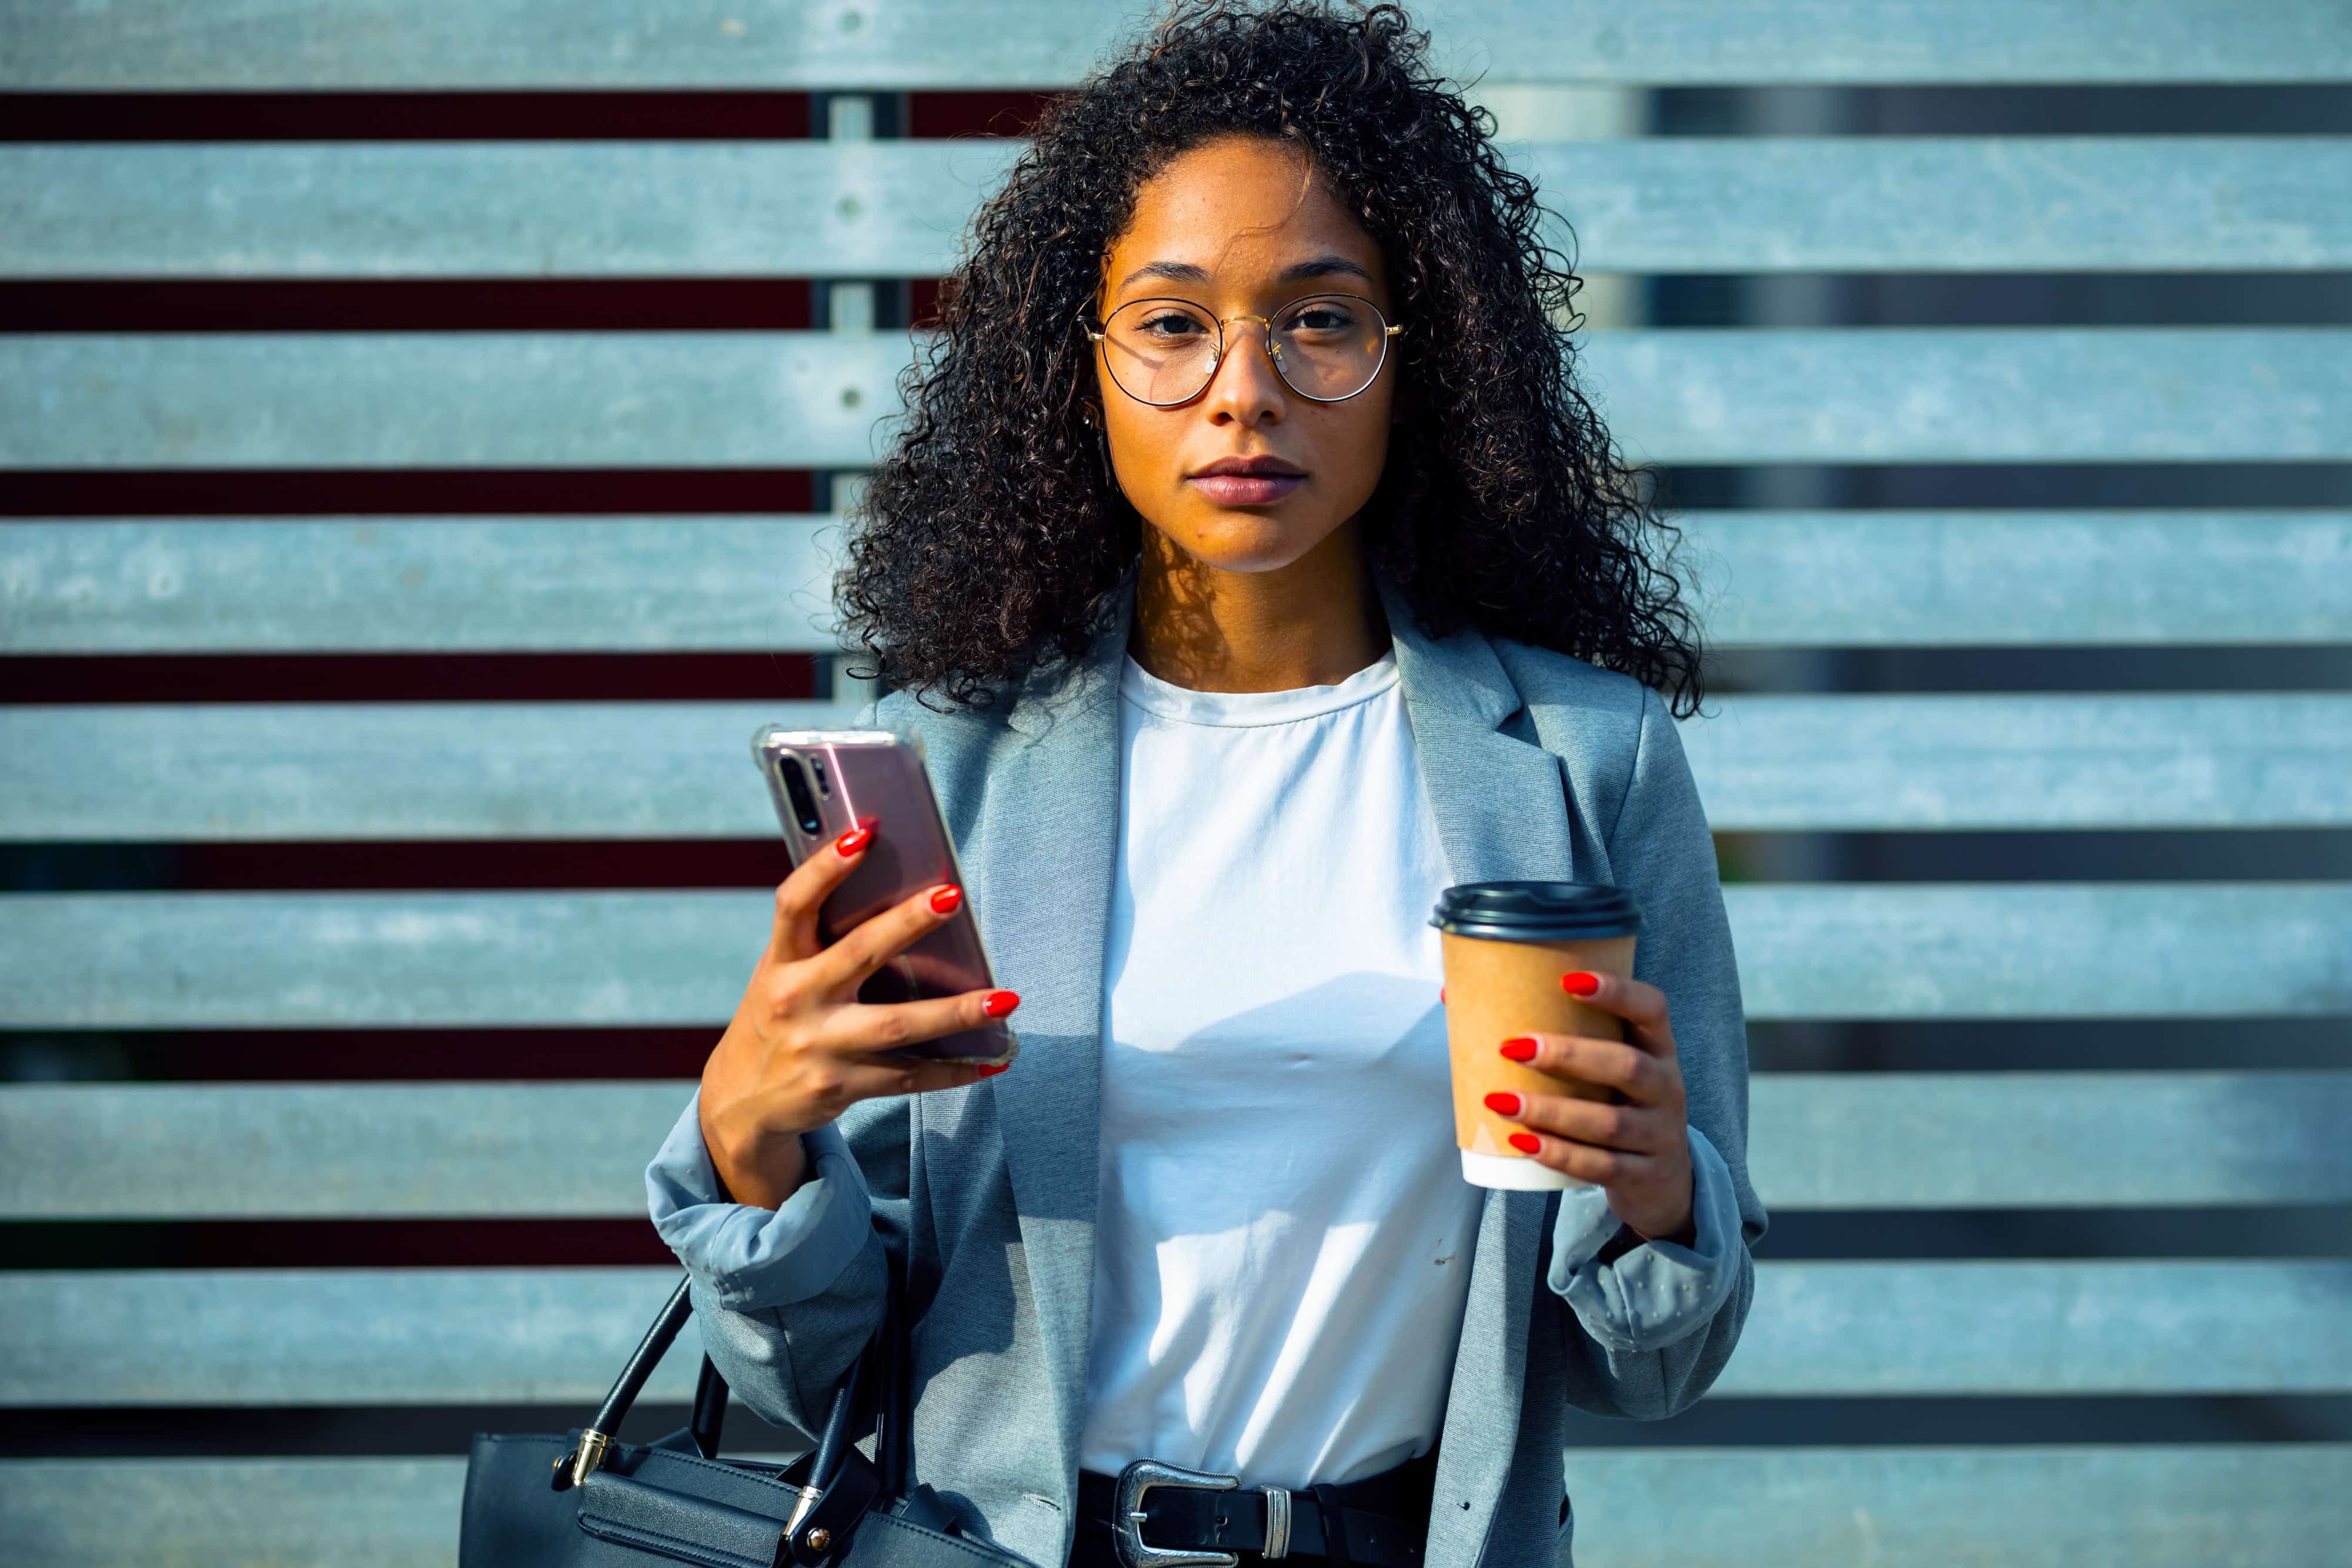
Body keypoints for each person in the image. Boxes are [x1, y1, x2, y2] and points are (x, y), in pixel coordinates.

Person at [646, 4, 1768, 1564]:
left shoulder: (1589, 762)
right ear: (1084, 368)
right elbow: (821, 1369)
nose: (1246, 389)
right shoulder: (950, 768)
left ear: (1420, 359)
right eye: (1173, 324)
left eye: (1322, 320)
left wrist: (1659, 1202)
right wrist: (751, 1147)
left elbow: (1651, 1367)